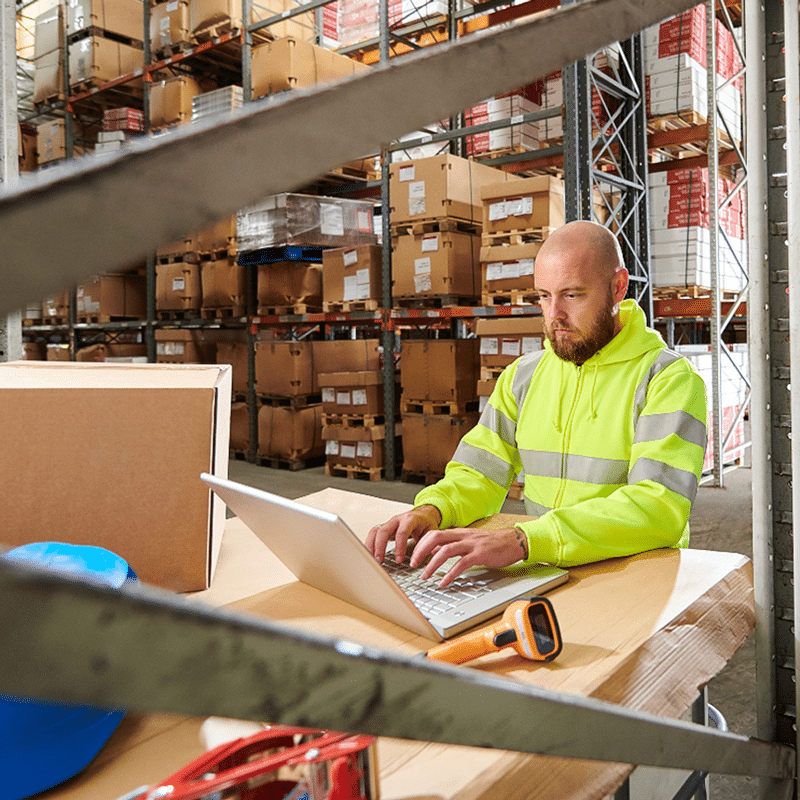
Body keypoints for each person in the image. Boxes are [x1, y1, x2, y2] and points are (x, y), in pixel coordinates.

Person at [366, 219, 708, 587]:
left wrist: (526, 540)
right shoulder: (522, 377)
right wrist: (434, 509)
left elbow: (658, 507)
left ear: (618, 287)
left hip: (635, 577)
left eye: (572, 295)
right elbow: (479, 472)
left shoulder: (667, 380)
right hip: (549, 570)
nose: (553, 314)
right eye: (544, 296)